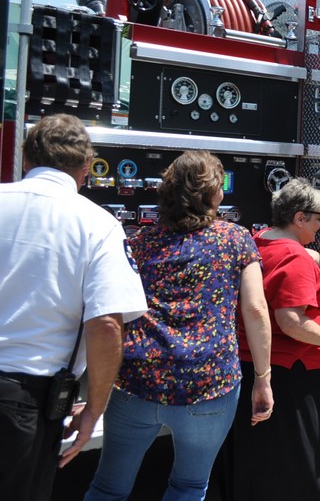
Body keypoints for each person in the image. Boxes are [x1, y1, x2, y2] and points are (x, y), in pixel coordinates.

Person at [84, 151, 273, 500]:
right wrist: (263, 379)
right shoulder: (235, 238)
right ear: (213, 195)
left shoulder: (139, 242)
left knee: (108, 487)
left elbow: (112, 311)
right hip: (209, 381)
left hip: (139, 379)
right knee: (189, 485)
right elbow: (256, 308)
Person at [0, 114, 147, 501]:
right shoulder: (98, 225)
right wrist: (93, 411)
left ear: (26, 159)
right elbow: (107, 326)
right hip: (23, 406)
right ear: (85, 169)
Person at [225, 178, 320, 501]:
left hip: (259, 367)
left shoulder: (257, 240)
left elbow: (282, 258)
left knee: (266, 461)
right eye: (318, 220)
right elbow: (290, 321)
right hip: (299, 374)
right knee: (311, 461)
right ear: (299, 217)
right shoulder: (296, 258)